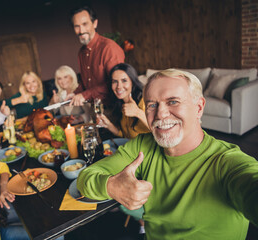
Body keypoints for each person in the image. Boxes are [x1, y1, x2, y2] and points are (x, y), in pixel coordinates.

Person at [77, 69, 258, 239]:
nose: (161, 114)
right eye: (152, 105)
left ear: (199, 107)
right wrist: (111, 186)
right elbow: (85, 178)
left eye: (173, 102)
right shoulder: (143, 144)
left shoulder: (228, 163)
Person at [68, 6, 125, 106]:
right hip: (94, 108)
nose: (81, 31)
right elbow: (85, 83)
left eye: (85, 24)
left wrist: (84, 95)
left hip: (113, 108)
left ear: (95, 23)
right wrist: (74, 94)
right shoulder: (81, 53)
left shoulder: (109, 47)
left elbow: (116, 83)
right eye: (76, 26)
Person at [97, 63, 150, 139]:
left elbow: (158, 129)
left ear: (132, 82)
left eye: (124, 80)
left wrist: (137, 112)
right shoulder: (121, 103)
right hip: (131, 148)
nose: (119, 86)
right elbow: (126, 137)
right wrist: (108, 125)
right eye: (115, 81)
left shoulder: (144, 100)